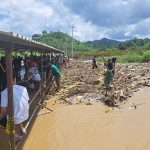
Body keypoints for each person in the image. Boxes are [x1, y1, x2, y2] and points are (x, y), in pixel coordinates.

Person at [0, 72, 29, 138]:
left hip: (16, 118)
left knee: (11, 113)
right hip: (26, 114)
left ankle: (16, 137)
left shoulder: (4, 93)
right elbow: (27, 100)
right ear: (14, 79)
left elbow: (3, 113)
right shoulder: (23, 88)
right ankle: (22, 130)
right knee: (16, 108)